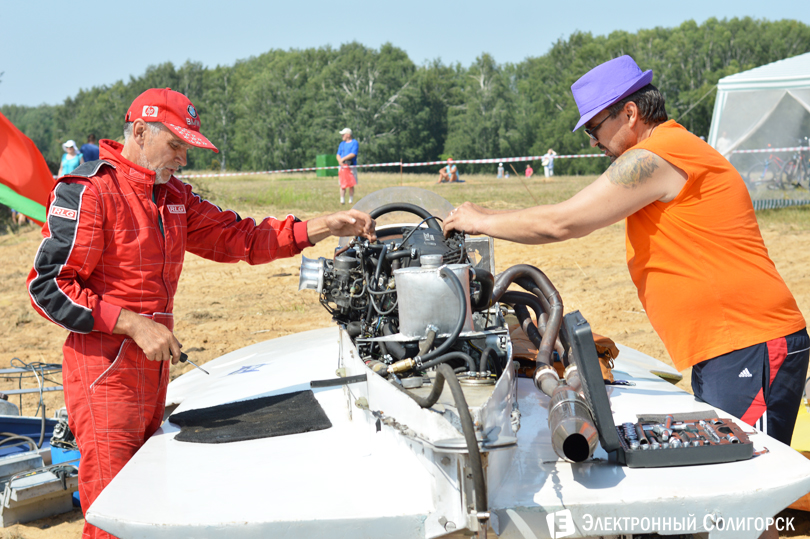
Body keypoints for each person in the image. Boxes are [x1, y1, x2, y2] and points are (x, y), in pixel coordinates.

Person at [27, 88, 376, 539]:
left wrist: (319, 227)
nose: (183, 159)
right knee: (114, 511)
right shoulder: (91, 192)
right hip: (104, 377)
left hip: (151, 372)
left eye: (186, 148)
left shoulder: (172, 196)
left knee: (148, 502)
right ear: (139, 132)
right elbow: (49, 285)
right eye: (176, 145)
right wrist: (131, 324)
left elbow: (240, 238)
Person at [445, 55, 808, 450]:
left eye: (595, 128)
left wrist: (481, 219)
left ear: (630, 112)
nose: (593, 142)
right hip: (729, 347)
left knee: (745, 480)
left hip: (748, 344)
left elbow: (563, 223)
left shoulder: (658, 155)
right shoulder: (669, 149)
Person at [337, 127, 359, 204]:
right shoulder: (341, 144)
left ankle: (351, 200)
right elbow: (338, 154)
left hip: (351, 166)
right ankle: (342, 200)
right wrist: (340, 161)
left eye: (343, 134)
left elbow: (353, 154)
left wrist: (343, 159)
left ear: (348, 135)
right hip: (342, 167)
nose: (342, 136)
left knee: (351, 183)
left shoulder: (354, 142)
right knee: (342, 184)